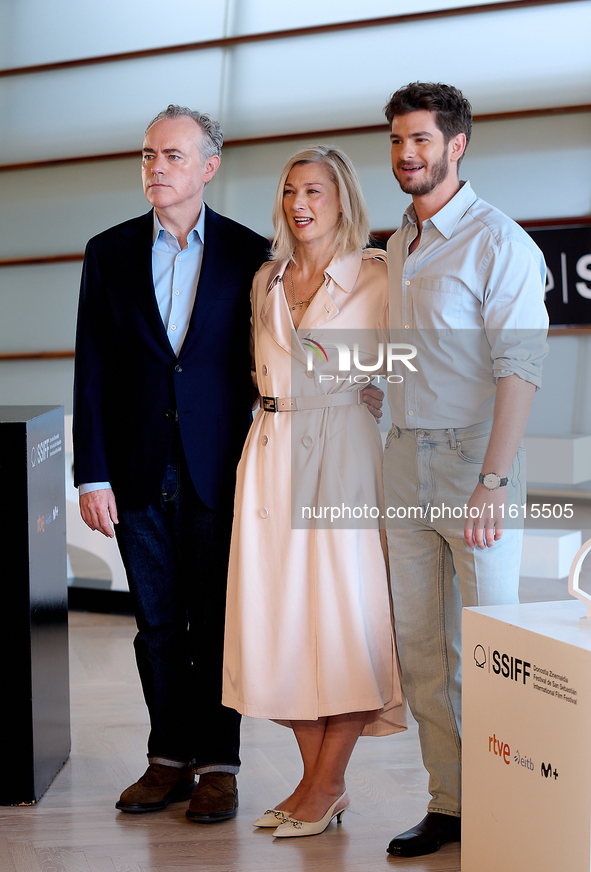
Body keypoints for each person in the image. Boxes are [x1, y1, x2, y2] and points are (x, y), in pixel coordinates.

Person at [73, 105, 269, 821]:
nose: (156, 167)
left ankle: (219, 763)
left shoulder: (254, 253)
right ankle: (167, 758)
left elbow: (266, 366)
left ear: (209, 167)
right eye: (149, 155)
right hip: (134, 470)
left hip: (221, 466)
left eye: (173, 156)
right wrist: (91, 472)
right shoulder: (109, 251)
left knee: (216, 621)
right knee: (156, 621)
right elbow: (90, 366)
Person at [381, 82, 548, 857]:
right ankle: (450, 802)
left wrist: (492, 478)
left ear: (457, 145)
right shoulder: (396, 244)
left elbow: (520, 369)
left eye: (420, 139)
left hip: (474, 466)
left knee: (493, 652)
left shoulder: (499, 242)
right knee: (421, 654)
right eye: (396, 140)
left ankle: (514, 806)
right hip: (403, 459)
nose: (406, 154)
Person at [221, 145, 406, 839]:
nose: (300, 204)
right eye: (292, 190)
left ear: (342, 198)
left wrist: (374, 388)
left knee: (346, 623)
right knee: (278, 625)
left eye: (316, 192)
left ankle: (322, 784)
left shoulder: (377, 273)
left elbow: (421, 360)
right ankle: (316, 785)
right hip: (267, 453)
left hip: (343, 454)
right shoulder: (265, 279)